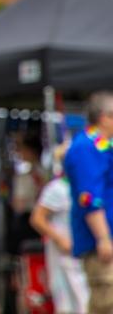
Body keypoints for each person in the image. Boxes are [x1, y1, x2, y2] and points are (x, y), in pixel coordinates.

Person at [63, 91, 113, 314]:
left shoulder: (101, 145)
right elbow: (89, 197)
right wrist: (103, 238)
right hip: (100, 243)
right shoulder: (86, 147)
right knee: (107, 299)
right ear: (105, 117)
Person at [31, 143, 89, 314]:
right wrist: (59, 238)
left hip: (83, 252)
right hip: (63, 254)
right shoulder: (58, 188)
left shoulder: (88, 187)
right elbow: (37, 218)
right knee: (66, 302)